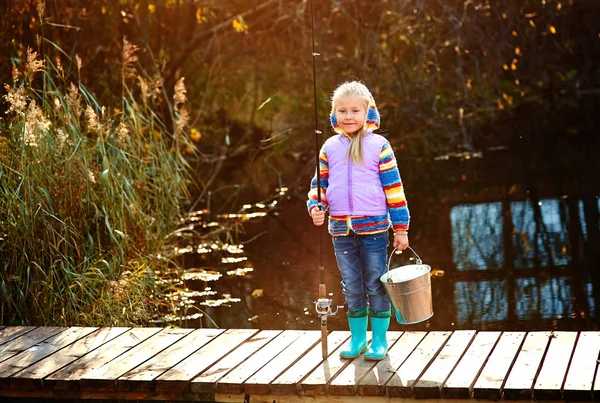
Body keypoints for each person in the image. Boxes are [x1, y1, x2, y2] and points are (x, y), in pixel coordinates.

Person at [307, 81, 410, 361]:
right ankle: (358, 339)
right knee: (351, 284)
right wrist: (316, 206)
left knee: (376, 283)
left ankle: (379, 341)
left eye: (355, 110)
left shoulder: (379, 145)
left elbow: (394, 190)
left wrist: (400, 228)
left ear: (368, 113)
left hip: (375, 230)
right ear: (333, 114)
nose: (348, 116)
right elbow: (320, 186)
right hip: (341, 231)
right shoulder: (329, 147)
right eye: (342, 110)